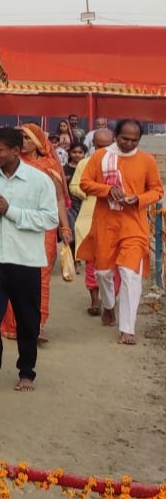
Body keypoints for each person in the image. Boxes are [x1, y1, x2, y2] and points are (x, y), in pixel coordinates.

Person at [0, 127, 58, 392]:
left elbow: (50, 219)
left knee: (27, 319)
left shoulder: (39, 180)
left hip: (26, 259)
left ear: (15, 150)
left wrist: (11, 212)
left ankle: (27, 372)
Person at [78, 119, 163, 345]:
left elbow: (157, 190)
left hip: (134, 226)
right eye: (125, 138)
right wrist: (107, 190)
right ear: (116, 135)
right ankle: (108, 305)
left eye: (134, 140)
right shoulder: (100, 156)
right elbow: (85, 183)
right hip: (105, 225)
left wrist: (139, 199)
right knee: (103, 273)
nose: (129, 143)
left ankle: (127, 329)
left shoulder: (146, 160)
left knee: (130, 274)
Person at [0, 124, 71, 343]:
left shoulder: (49, 166)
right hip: (15, 223)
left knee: (41, 276)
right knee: (14, 273)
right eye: (20, 137)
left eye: (27, 138)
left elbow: (59, 199)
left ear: (39, 141)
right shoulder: (11, 164)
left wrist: (65, 227)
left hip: (44, 227)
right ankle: (12, 324)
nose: (23, 141)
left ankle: (35, 325)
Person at [70, 128, 114, 316]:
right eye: (99, 146)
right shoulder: (85, 163)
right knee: (91, 262)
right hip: (90, 217)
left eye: (107, 146)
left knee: (114, 263)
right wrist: (91, 191)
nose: (103, 149)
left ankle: (110, 302)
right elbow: (74, 186)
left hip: (115, 219)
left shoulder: (121, 163)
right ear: (93, 145)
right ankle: (95, 301)